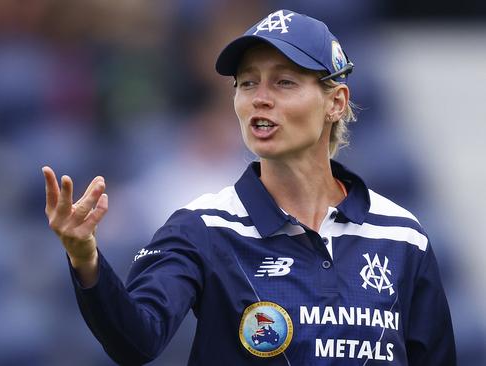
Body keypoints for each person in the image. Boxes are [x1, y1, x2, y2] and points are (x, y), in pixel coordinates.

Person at [42, 9, 456, 365]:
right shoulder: (201, 229)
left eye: (284, 82)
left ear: (336, 102)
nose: (259, 98)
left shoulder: (402, 237)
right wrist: (86, 257)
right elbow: (136, 342)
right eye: (247, 83)